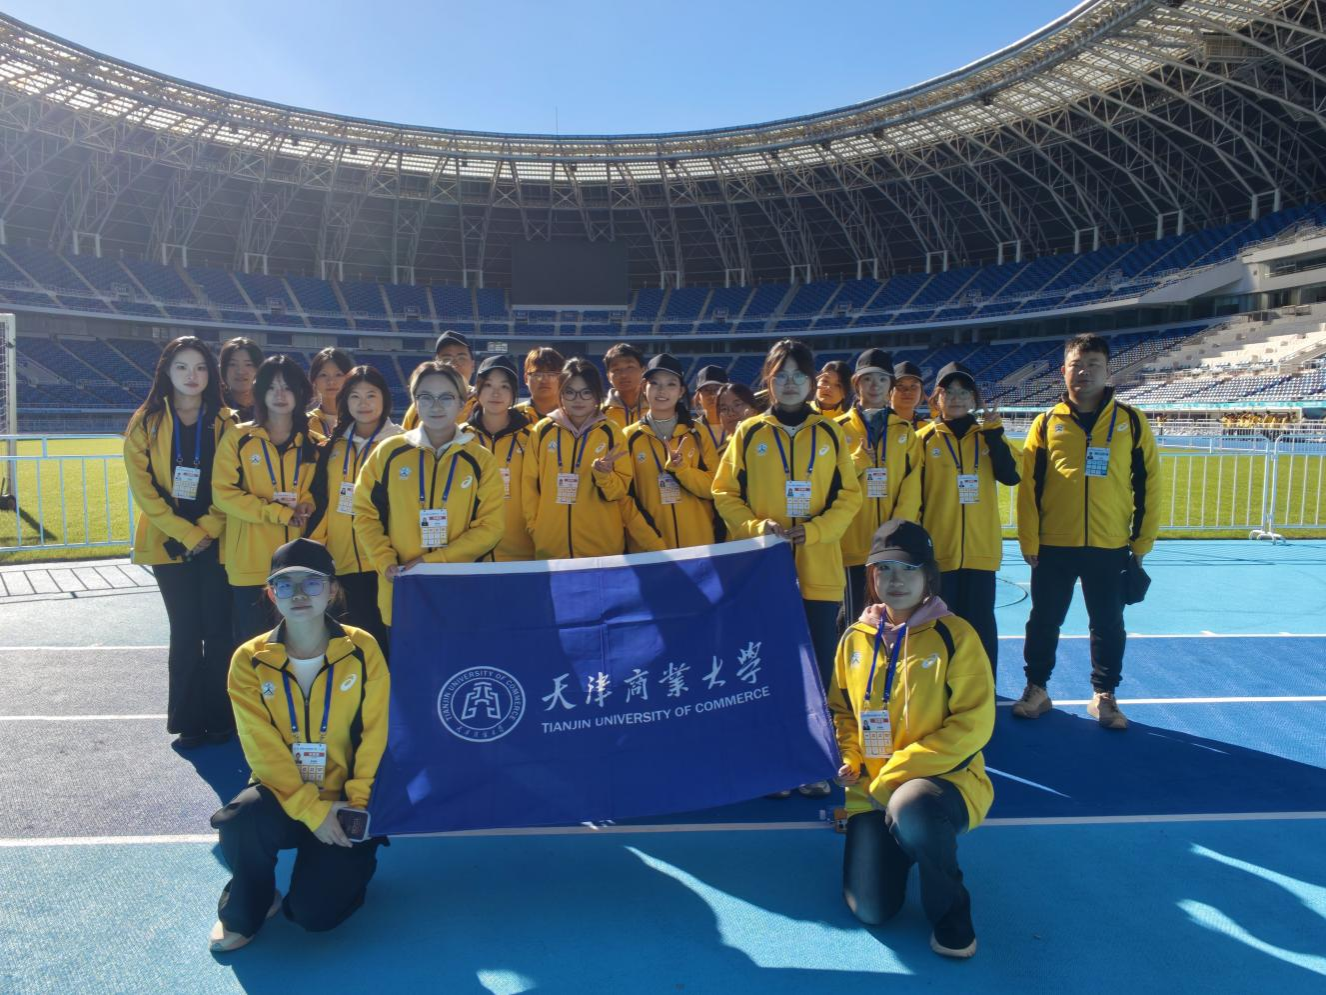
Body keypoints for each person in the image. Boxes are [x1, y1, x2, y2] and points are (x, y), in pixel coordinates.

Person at [209, 538, 389, 952]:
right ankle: (249, 905)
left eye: (312, 582)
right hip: (283, 792)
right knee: (241, 820)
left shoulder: (363, 649)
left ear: (332, 590)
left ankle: (353, 867)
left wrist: (357, 803)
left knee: (314, 916)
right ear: (272, 594)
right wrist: (311, 810)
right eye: (285, 584)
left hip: (345, 797)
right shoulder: (249, 659)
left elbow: (375, 732)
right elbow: (261, 746)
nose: (299, 594)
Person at [830, 520, 994, 959]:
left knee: (911, 806)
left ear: (928, 577)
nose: (895, 580)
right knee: (870, 909)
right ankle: (903, 843)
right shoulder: (854, 638)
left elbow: (974, 724)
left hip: (943, 784)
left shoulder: (955, 636)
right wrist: (850, 757)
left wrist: (894, 776)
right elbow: (841, 710)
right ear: (871, 577)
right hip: (871, 792)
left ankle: (952, 915)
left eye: (908, 569)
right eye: (883, 569)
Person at [713, 338, 861, 798]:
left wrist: (815, 531)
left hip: (818, 572)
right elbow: (724, 493)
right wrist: (757, 528)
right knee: (769, 667)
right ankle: (774, 762)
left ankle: (811, 761)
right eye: (781, 376)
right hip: (764, 574)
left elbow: (849, 496)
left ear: (812, 381)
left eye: (799, 375)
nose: (791, 383)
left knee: (815, 671)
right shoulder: (749, 432)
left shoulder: (831, 432)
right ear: (769, 381)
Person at [1014, 333, 1161, 730]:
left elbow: (1149, 484)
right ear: (1063, 371)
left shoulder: (1131, 421)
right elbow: (1029, 488)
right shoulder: (1046, 423)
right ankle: (1036, 688)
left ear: (1107, 370)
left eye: (1093, 364)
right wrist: (1029, 538)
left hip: (1109, 543)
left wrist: (1141, 541)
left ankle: (1105, 695)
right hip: (1053, 544)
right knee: (1044, 620)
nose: (1084, 372)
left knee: (1108, 623)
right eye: (1076, 365)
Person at [123, 336, 237, 748]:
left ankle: (221, 717)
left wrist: (206, 529)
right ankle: (188, 721)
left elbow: (234, 483)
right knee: (186, 631)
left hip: (218, 541)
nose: (192, 375)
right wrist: (186, 534)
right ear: (166, 372)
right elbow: (143, 489)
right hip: (167, 544)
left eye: (201, 367)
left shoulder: (227, 421)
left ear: (211, 374)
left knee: (219, 631)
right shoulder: (146, 421)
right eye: (183, 367)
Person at [353, 361, 505, 633]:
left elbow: (490, 527)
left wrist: (433, 562)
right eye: (426, 397)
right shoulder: (388, 453)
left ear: (462, 403)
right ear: (414, 401)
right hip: (401, 588)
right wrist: (385, 562)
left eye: (446, 397)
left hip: (458, 592)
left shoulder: (481, 460)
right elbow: (365, 514)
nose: (436, 406)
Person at [917, 362, 1021, 675]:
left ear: (974, 398)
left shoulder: (988, 437)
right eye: (949, 392)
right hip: (941, 553)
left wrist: (995, 434)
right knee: (939, 626)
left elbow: (1011, 476)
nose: (957, 398)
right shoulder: (923, 440)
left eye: (964, 392)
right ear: (937, 398)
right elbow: (913, 497)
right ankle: (940, 689)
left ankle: (983, 689)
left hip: (980, 552)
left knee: (980, 628)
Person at [213, 355, 320, 645]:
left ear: (300, 392)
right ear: (260, 392)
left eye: (287, 387)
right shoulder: (238, 437)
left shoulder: (313, 442)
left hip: (298, 566)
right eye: (272, 387)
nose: (280, 395)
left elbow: (317, 489)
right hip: (250, 565)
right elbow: (223, 494)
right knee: (255, 647)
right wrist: (278, 512)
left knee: (298, 646)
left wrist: (307, 501)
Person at [522, 358, 664, 559]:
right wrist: (535, 528)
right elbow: (529, 486)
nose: (578, 399)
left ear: (597, 394)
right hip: (551, 547)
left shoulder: (612, 432)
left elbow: (620, 492)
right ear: (560, 393)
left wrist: (604, 476)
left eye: (586, 392)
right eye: (570, 392)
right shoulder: (542, 431)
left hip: (602, 550)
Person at [306, 366, 402, 653]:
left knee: (386, 646)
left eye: (371, 395)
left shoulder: (401, 444)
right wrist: (320, 551)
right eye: (355, 396)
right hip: (343, 562)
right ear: (345, 400)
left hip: (384, 563)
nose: (364, 403)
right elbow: (324, 501)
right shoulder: (331, 446)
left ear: (384, 398)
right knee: (350, 648)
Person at [836, 349, 922, 628]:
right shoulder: (835, 429)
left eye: (882, 379)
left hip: (891, 546)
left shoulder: (904, 431)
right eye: (867, 379)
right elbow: (829, 481)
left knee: (891, 619)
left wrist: (897, 528)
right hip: (851, 541)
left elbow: (912, 483)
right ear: (856, 384)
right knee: (854, 621)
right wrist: (858, 461)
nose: (875, 385)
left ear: (890, 386)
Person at [624, 353, 718, 550]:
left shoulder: (698, 433)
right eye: (655, 383)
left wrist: (683, 471)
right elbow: (625, 500)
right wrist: (652, 543)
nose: (662, 390)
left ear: (681, 391)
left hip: (698, 546)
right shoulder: (628, 437)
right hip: (650, 550)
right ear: (644, 387)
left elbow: (715, 487)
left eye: (671, 384)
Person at [462, 354, 536, 561]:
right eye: (488, 385)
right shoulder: (461, 438)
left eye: (504, 386)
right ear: (478, 389)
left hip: (521, 554)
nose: (496, 393)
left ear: (513, 393)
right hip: (471, 553)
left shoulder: (532, 437)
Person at [400, 331, 477, 429]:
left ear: (473, 366)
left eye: (461, 358)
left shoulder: (483, 405)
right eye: (446, 359)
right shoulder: (418, 409)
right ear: (437, 366)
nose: (454, 365)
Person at [306, 347, 354, 439]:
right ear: (314, 381)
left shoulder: (360, 421)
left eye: (338, 375)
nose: (331, 382)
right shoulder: (305, 423)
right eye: (323, 375)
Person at [602, 342, 647, 430]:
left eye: (630, 367)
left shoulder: (657, 409)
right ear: (608, 376)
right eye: (616, 369)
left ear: (643, 370)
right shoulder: (599, 414)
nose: (623, 375)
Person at [516, 345, 566, 422]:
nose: (544, 380)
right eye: (537, 374)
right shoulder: (512, 416)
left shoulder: (573, 417)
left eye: (551, 374)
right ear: (526, 378)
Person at [219, 338, 263, 422]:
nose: (240, 371)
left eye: (248, 364)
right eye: (233, 364)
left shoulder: (268, 405)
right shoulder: (215, 406)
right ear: (223, 369)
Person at [692, 364, 730, 453]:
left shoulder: (739, 426)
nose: (712, 395)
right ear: (698, 397)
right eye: (706, 390)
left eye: (717, 389)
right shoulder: (691, 429)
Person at [715, 382, 761, 455]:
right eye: (724, 409)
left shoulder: (770, 437)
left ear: (753, 410)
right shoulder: (723, 453)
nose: (731, 413)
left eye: (737, 405)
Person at [890, 360, 926, 429]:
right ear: (889, 390)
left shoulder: (928, 429)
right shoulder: (876, 425)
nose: (907, 391)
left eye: (913, 386)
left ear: (921, 391)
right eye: (900, 385)